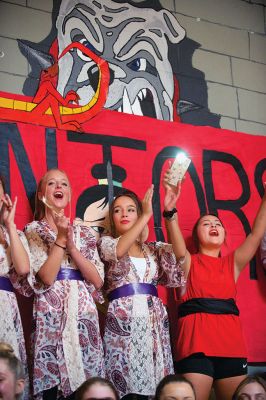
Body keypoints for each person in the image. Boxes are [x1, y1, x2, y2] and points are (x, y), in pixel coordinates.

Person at [162, 169, 266, 400]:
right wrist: (170, 211)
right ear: (197, 235)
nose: (213, 225)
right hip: (194, 346)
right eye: (206, 223)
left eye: (217, 223)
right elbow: (176, 241)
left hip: (232, 347)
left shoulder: (233, 263)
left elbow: (257, 234)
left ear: (224, 233)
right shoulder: (188, 261)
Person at [97, 185, 186, 399]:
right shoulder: (106, 243)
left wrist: (169, 213)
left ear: (138, 213)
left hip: (153, 324)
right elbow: (119, 251)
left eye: (130, 209)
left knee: (157, 387)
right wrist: (146, 215)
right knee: (127, 387)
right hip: (123, 325)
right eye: (118, 210)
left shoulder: (152, 249)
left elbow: (180, 254)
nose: (124, 213)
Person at [24, 169, 105, 400]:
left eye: (64, 183)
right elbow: (47, 277)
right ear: (42, 194)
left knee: (87, 387)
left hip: (83, 315)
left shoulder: (85, 233)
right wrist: (60, 239)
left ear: (69, 193)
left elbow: (97, 280)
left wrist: (72, 247)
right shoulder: (34, 230)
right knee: (52, 385)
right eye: (52, 183)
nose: (59, 187)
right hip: (51, 314)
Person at [0, 177, 30, 399]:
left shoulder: (13, 234)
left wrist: (10, 226)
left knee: (6, 377)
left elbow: (23, 268)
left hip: (5, 310)